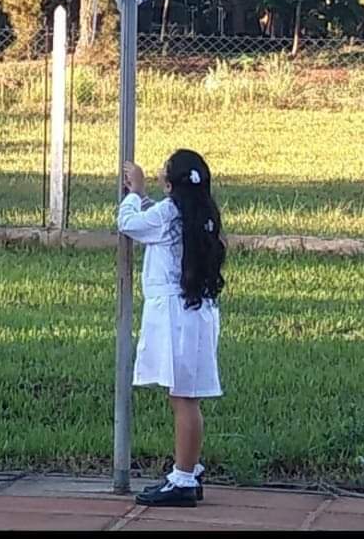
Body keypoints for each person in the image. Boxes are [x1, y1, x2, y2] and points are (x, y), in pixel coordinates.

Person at [119, 149, 226, 508]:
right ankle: (188, 470)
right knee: (185, 395)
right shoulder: (202, 213)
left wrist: (134, 193)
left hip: (175, 317)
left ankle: (183, 477)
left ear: (169, 184)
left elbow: (131, 224)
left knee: (183, 398)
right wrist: (146, 196)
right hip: (197, 313)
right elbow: (158, 223)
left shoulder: (168, 213)